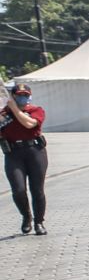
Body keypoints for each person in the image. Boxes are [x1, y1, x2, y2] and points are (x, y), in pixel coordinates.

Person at [2, 82, 48, 235]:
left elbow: (29, 124)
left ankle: (39, 222)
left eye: (26, 95)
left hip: (34, 151)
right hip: (14, 154)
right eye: (19, 96)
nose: (23, 98)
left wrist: (14, 109)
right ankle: (26, 216)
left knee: (37, 190)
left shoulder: (36, 110)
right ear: (13, 96)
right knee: (19, 190)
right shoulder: (4, 114)